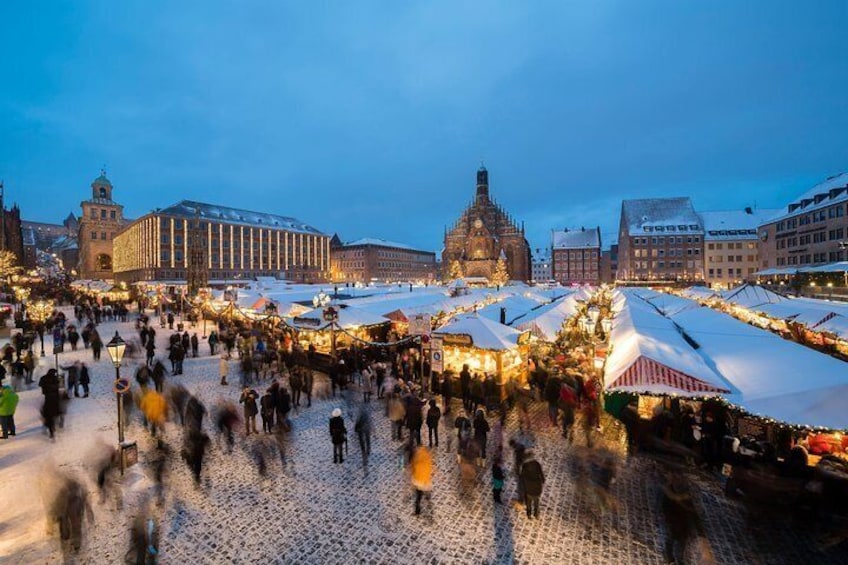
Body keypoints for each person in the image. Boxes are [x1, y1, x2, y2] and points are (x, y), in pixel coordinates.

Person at [520, 450, 545, 519]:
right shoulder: (537, 464)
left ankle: (529, 514)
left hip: (528, 488)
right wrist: (542, 481)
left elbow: (522, 477)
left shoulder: (524, 466)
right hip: (537, 487)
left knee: (529, 502)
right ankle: (536, 514)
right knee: (536, 502)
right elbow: (541, 474)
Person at [410, 446, 433, 516]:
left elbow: (414, 470)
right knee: (426, 494)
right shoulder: (428, 458)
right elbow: (430, 469)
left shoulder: (417, 460)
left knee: (418, 498)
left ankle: (417, 512)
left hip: (419, 483)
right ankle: (429, 504)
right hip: (426, 482)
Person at [40, 369, 62, 438]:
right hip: (55, 398)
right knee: (56, 411)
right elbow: (58, 385)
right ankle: (58, 423)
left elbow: (40, 384)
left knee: (48, 414)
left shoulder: (43, 378)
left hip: (48, 397)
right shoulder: (55, 378)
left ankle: (50, 428)